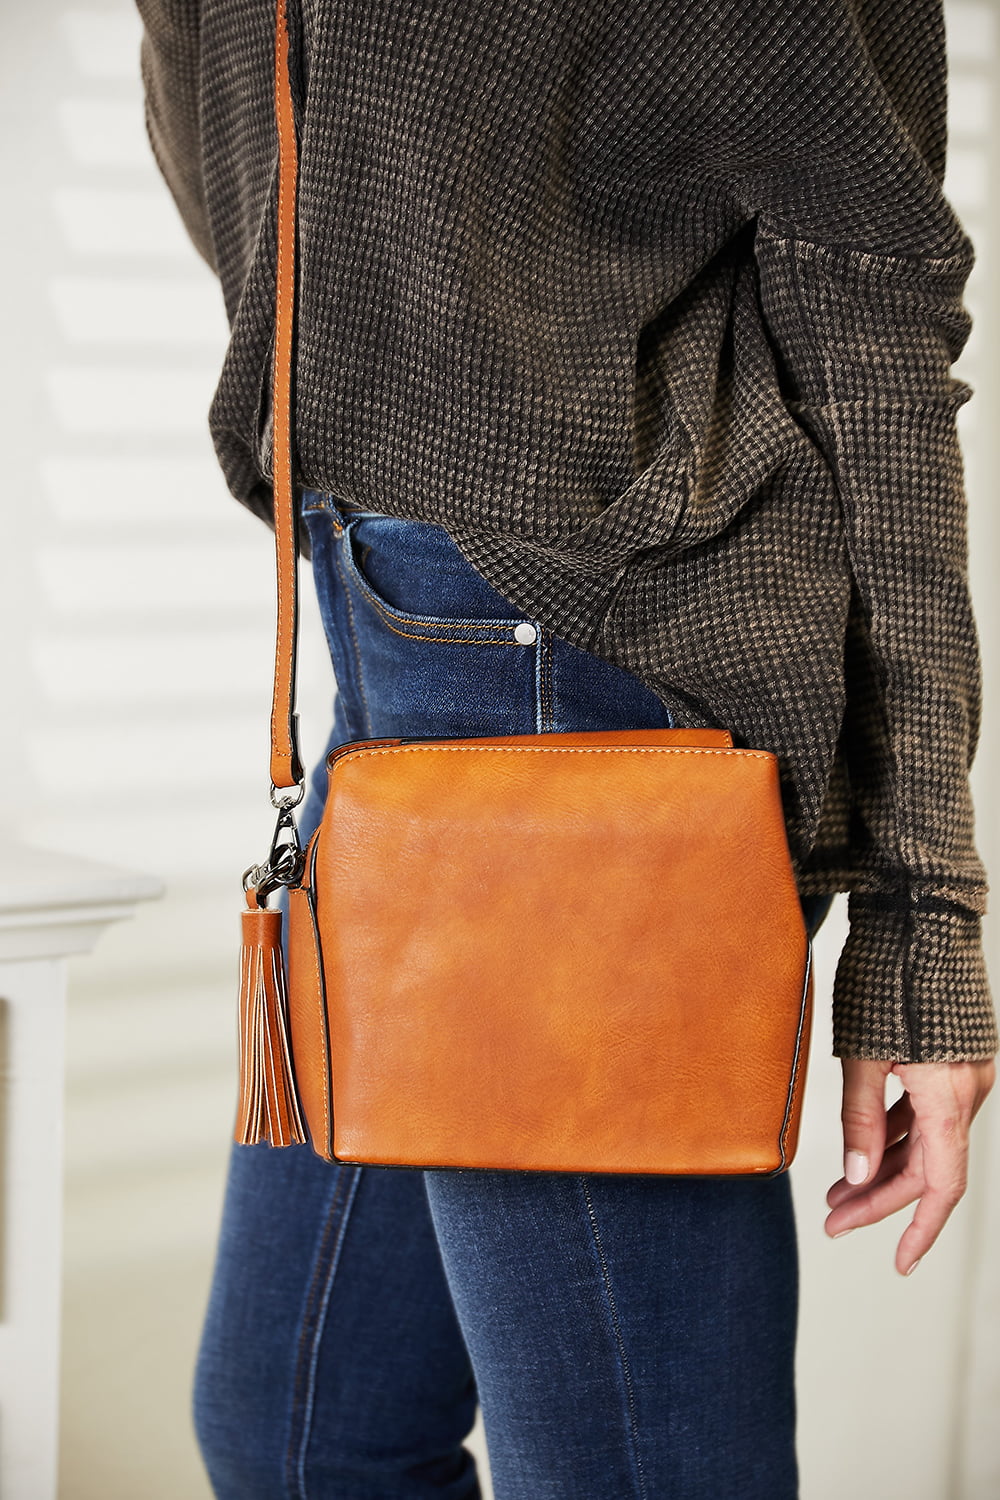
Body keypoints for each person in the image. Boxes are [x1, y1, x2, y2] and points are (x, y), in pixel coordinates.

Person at [136, 0, 996, 1494]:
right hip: (374, 650)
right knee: (298, 1436)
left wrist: (924, 917)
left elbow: (872, 307)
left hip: (597, 691)